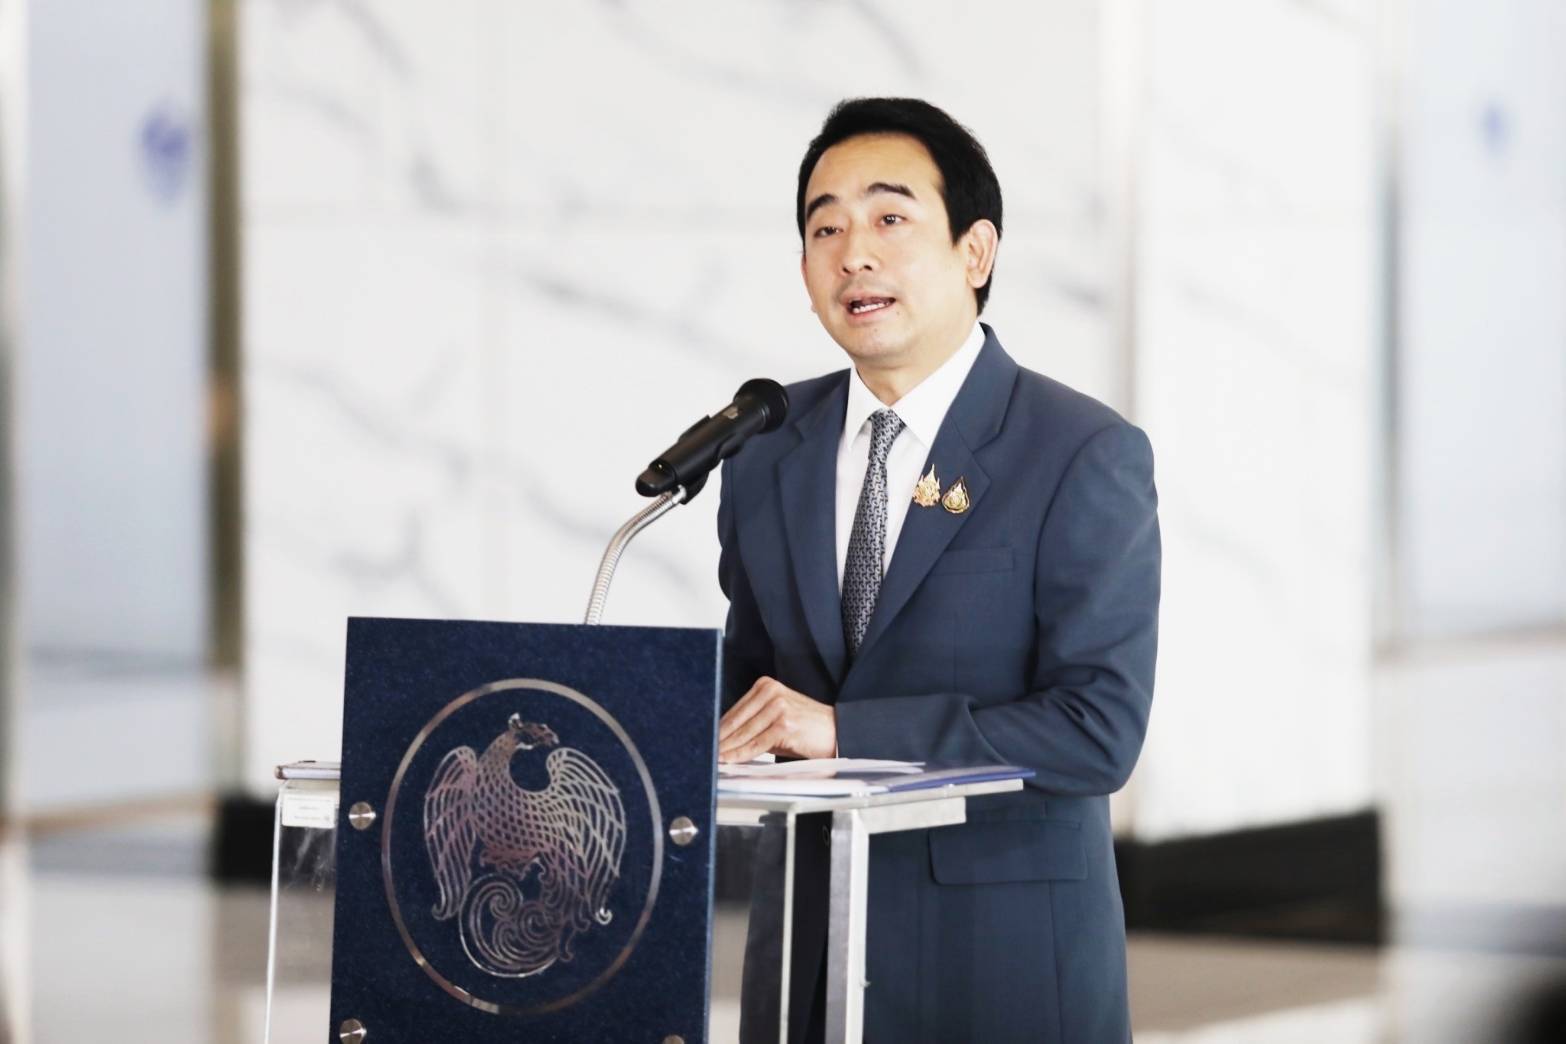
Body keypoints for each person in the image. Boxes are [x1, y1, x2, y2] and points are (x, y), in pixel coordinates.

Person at [715, 97, 1160, 1043]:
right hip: (807, 964)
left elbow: (1097, 730)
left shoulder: (1078, 452)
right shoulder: (764, 447)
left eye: (889, 218)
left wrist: (845, 732)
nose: (853, 254)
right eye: (824, 228)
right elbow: (746, 698)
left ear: (975, 251)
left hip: (998, 967)